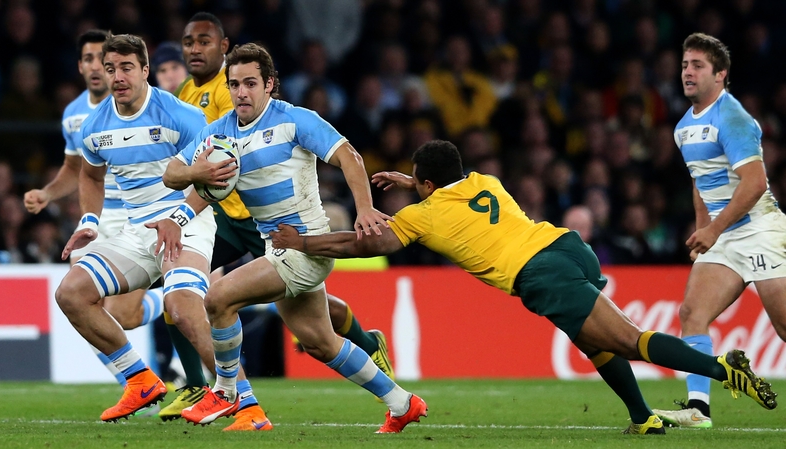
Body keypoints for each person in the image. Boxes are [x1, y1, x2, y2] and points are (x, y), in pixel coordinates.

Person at [269, 139, 778, 435]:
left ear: (425, 186)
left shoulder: (421, 218)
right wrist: (412, 180)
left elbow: (364, 245)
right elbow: (445, 188)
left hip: (537, 273)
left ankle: (723, 371)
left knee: (629, 340)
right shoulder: (485, 181)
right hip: (565, 246)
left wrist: (304, 240)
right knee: (591, 339)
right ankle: (643, 418)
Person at [155, 42, 427, 434]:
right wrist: (185, 201)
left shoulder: (295, 120)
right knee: (321, 343)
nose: (241, 92)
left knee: (217, 298)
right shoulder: (219, 135)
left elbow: (349, 156)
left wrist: (364, 208)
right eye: (234, 84)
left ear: (270, 85)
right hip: (275, 246)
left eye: (250, 83)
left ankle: (228, 392)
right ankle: (402, 403)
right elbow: (173, 174)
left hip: (305, 246)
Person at [54, 33, 219, 422]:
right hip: (136, 229)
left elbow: (214, 181)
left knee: (181, 307)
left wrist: (178, 218)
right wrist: (90, 221)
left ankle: (241, 397)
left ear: (145, 71)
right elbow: (91, 177)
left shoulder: (182, 116)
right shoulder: (94, 126)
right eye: (111, 68)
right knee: (71, 293)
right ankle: (140, 380)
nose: (117, 76)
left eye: (126, 67)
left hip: (188, 219)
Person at [651, 33, 786, 428]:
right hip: (724, 236)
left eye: (696, 66)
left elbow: (755, 182)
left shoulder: (733, 118)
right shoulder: (682, 128)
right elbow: (700, 181)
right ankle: (699, 409)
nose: (687, 73)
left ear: (720, 74)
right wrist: (702, 230)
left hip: (761, 230)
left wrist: (715, 229)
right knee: (692, 313)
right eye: (684, 65)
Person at [22, 29, 165, 392]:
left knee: (124, 316)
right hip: (97, 218)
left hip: (136, 217)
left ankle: (170, 297)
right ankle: (135, 383)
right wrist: (48, 194)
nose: (98, 67)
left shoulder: (146, 105)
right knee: (79, 300)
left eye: (103, 59)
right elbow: (76, 171)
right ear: (83, 67)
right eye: (88, 59)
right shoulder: (75, 116)